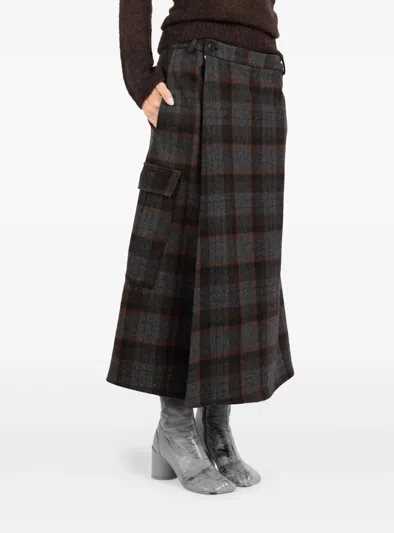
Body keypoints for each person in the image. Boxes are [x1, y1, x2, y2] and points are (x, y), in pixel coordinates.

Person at [107, 0, 295, 495]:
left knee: (240, 260)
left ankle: (216, 429)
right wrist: (139, 76)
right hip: (194, 69)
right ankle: (174, 428)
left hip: (260, 70)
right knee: (180, 242)